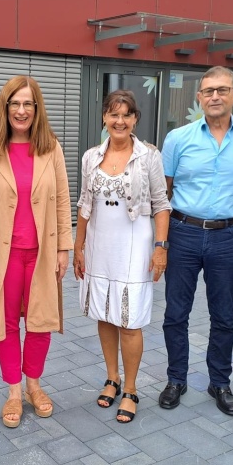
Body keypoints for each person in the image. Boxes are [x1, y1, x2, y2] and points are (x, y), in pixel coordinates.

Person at [160, 66, 233, 416]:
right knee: (176, 313)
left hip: (227, 236)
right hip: (183, 233)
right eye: (208, 91)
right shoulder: (178, 139)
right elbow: (165, 189)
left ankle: (219, 382)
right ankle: (176, 378)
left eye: (222, 90)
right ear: (199, 97)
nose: (215, 97)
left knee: (224, 314)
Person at [0, 76, 73, 428]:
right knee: (6, 322)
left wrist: (63, 248)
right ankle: (14, 390)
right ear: (5, 107)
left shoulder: (51, 147)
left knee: (40, 321)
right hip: (2, 254)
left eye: (29, 103)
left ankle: (34, 385)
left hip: (41, 253)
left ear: (37, 109)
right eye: (16, 103)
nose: (22, 110)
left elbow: (61, 200)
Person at [73, 90, 171, 423]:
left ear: (135, 120)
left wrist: (161, 248)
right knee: (104, 312)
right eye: (114, 114)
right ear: (104, 117)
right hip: (100, 244)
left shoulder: (149, 156)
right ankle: (111, 378)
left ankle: (130, 388)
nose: (120, 121)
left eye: (127, 115)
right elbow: (84, 204)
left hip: (135, 245)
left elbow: (162, 204)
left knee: (129, 322)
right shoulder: (90, 157)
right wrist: (78, 245)